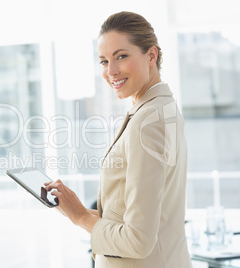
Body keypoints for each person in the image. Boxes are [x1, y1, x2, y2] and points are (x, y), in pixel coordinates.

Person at [44, 11, 193, 267]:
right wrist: (73, 208)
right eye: (103, 61)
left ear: (151, 56)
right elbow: (136, 221)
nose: (111, 71)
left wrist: (80, 216)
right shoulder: (159, 110)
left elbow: (137, 239)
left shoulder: (148, 122)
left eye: (121, 56)